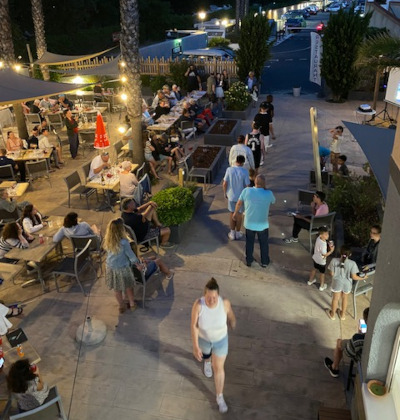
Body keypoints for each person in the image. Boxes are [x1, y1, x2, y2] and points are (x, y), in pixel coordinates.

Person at [104, 218, 173, 313]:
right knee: (128, 287)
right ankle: (132, 304)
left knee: (117, 289)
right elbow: (132, 257)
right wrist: (138, 264)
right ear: (121, 229)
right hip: (123, 268)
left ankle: (121, 306)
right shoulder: (124, 242)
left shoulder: (108, 240)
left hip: (111, 268)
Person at [191, 278, 236, 414]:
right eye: (209, 297)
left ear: (218, 296)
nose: (212, 300)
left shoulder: (225, 303)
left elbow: (231, 315)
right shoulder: (198, 305)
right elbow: (194, 325)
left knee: (219, 368)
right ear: (204, 295)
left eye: (214, 297)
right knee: (206, 354)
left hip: (221, 341)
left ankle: (219, 396)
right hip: (204, 340)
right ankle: (207, 361)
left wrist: (232, 322)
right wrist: (195, 346)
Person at [233, 174, 276, 267]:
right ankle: (264, 261)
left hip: (249, 224)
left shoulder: (246, 191)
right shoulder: (269, 193)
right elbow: (273, 201)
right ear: (264, 183)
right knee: (263, 244)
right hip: (262, 224)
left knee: (249, 243)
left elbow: (239, 203)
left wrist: (235, 213)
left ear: (255, 182)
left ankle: (249, 260)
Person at [324, 307, 369, 377]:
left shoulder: (359, 338)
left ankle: (334, 368)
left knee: (339, 343)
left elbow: (349, 353)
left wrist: (359, 334)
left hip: (362, 362)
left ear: (366, 322)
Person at [326, 246, 366, 321]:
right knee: (345, 298)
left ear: (340, 252)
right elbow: (354, 277)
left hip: (337, 282)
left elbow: (331, 274)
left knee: (335, 299)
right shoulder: (352, 263)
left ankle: (332, 314)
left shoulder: (334, 260)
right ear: (350, 254)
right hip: (347, 284)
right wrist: (363, 278)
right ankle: (342, 315)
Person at [223, 155, 250, 241]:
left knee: (232, 213)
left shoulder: (229, 170)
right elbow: (247, 185)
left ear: (236, 160)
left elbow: (224, 183)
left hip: (231, 196)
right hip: (241, 197)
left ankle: (232, 233)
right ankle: (238, 233)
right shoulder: (245, 172)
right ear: (243, 162)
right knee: (239, 214)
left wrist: (225, 193)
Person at [308, 226, 335, 291]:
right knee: (322, 273)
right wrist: (331, 250)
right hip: (321, 261)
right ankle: (322, 285)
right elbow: (324, 254)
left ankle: (310, 281)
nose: (327, 235)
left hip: (315, 258)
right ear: (321, 235)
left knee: (314, 268)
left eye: (328, 234)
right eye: (325, 234)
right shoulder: (323, 244)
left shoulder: (318, 238)